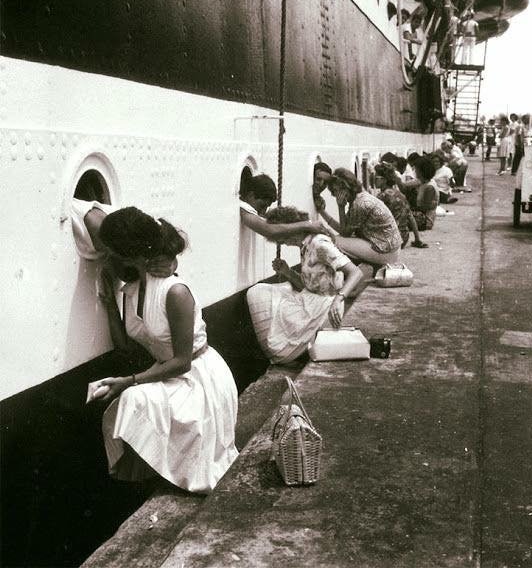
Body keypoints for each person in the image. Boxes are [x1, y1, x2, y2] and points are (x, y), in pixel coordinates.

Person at [78, 205, 239, 493]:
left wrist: (128, 381)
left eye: (110, 252)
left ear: (129, 254)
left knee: (132, 399)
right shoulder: (132, 288)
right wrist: (108, 301)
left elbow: (183, 362)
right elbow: (125, 346)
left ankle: (170, 471)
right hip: (171, 375)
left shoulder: (174, 292)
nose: (107, 256)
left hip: (200, 380)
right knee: (129, 401)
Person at [246, 206, 366, 365]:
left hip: (323, 306)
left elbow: (356, 273)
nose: (283, 243)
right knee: (257, 292)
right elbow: (309, 286)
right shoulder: (305, 245)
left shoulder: (319, 243)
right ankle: (295, 350)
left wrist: (339, 299)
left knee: (261, 299)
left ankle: (291, 352)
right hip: (310, 299)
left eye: (282, 239)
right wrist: (287, 272)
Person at [317, 168, 402, 266]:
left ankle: (352, 272)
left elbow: (345, 233)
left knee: (335, 241)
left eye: (338, 190)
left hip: (387, 252)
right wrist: (322, 211)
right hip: (389, 248)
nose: (336, 194)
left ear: (347, 187)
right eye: (335, 191)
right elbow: (343, 229)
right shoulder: (360, 197)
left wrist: (340, 208)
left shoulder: (360, 204)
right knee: (339, 239)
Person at [239, 172, 325, 240]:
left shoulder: (251, 205)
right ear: (251, 195)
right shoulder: (244, 210)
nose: (263, 211)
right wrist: (306, 225)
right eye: (262, 205)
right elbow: (269, 230)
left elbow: (275, 216)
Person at [374, 164, 428, 249]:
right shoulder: (400, 195)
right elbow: (411, 218)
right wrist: (417, 239)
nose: (374, 180)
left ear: (384, 180)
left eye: (376, 178)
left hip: (390, 240)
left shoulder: (382, 196)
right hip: (403, 238)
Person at [410, 156, 439, 230]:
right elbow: (404, 185)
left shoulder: (429, 187)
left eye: (416, 169)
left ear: (421, 171)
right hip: (421, 216)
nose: (415, 171)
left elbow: (424, 207)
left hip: (425, 220)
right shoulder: (424, 182)